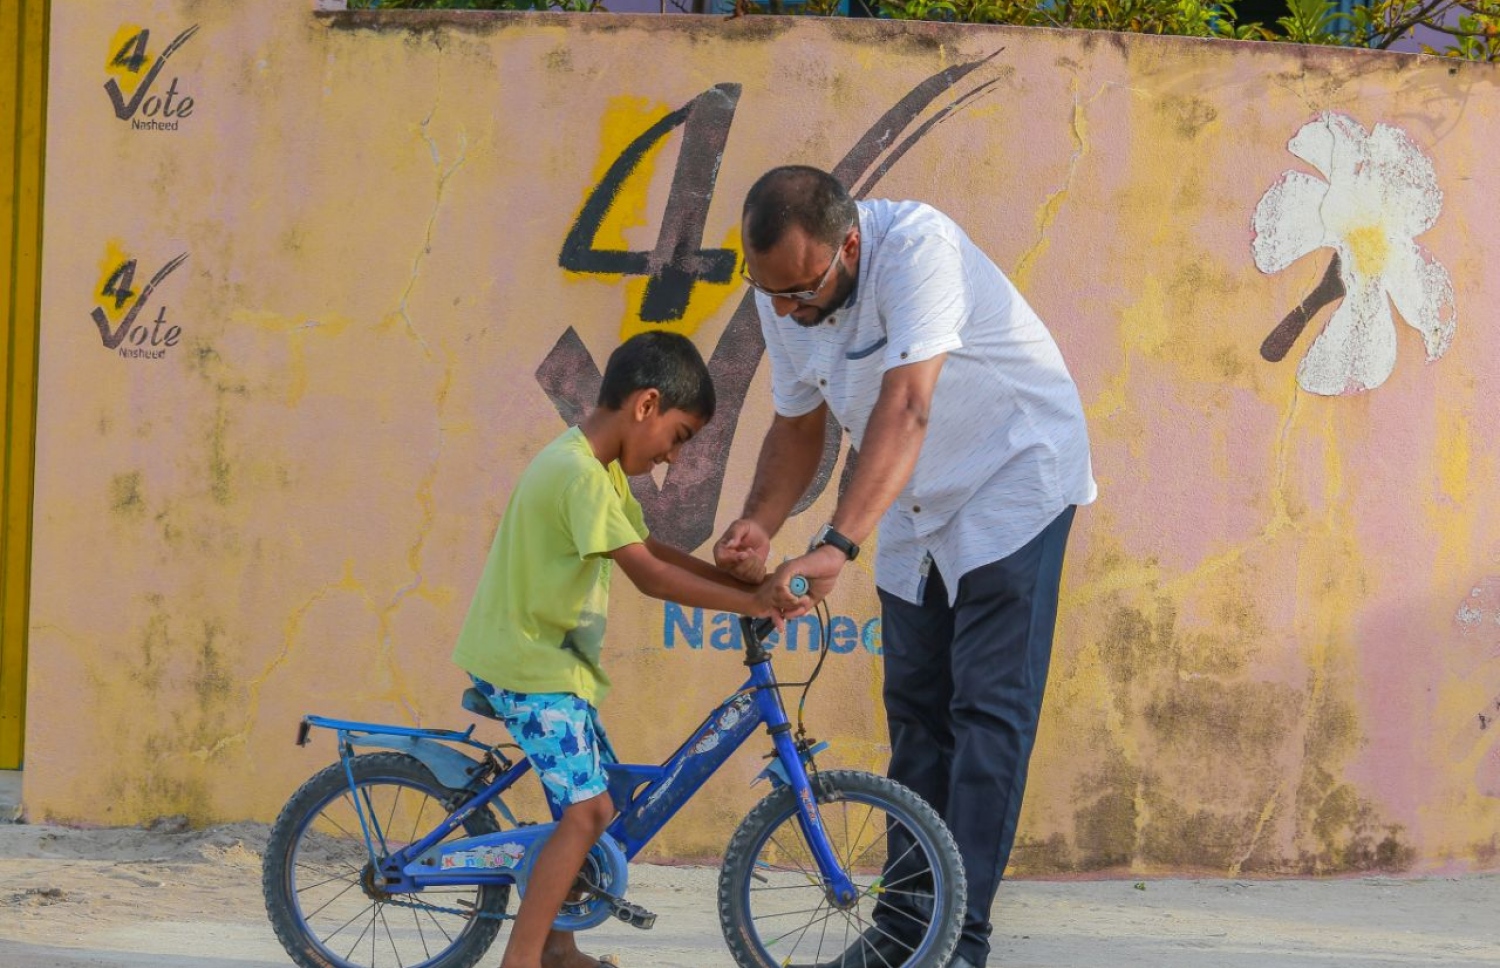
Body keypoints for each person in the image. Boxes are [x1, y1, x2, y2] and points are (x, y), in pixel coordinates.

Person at [714, 166, 1096, 968]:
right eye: (771, 292)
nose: (788, 309)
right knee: (917, 718)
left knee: (987, 716)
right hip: (913, 493)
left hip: (1013, 476)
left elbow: (908, 404)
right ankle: (904, 930)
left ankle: (961, 942)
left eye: (801, 289)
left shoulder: (918, 247)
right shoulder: (779, 288)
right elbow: (798, 427)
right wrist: (758, 521)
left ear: (848, 243)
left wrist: (837, 544)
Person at [454, 331, 781, 968]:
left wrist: (747, 584)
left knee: (595, 806)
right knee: (587, 811)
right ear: (646, 405)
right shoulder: (577, 473)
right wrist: (751, 603)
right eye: (679, 436)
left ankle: (558, 947)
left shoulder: (597, 470)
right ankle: (520, 961)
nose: (672, 459)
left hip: (554, 668)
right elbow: (648, 576)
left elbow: (649, 548)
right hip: (529, 668)